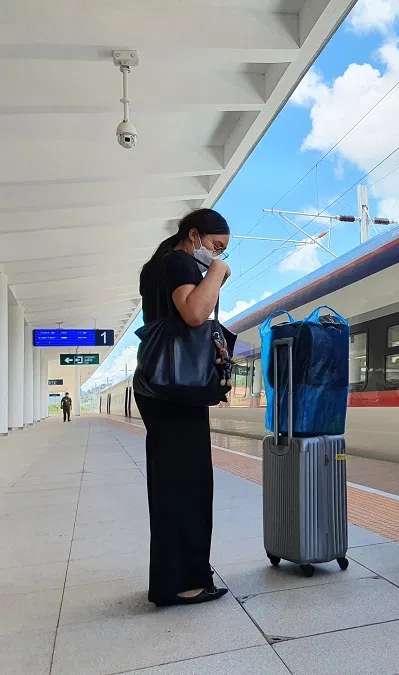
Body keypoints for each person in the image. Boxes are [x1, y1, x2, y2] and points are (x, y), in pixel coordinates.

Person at [135, 208, 232, 607]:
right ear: (194, 235)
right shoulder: (178, 261)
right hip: (176, 390)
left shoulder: (157, 266)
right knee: (187, 486)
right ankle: (181, 584)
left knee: (173, 484)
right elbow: (194, 314)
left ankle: (174, 578)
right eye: (216, 246)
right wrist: (217, 272)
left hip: (164, 387)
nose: (218, 255)